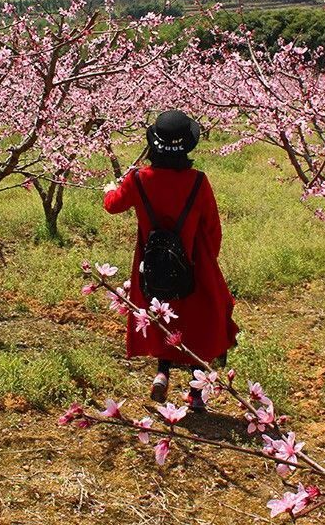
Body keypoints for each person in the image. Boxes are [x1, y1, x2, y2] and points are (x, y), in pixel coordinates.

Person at [102, 110, 238, 410]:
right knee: (197, 322)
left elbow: (113, 205)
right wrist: (205, 262)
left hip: (151, 266)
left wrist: (112, 188)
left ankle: (162, 373)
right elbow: (213, 229)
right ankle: (196, 393)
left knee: (161, 313)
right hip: (192, 262)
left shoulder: (138, 178)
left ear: (154, 145)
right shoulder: (198, 182)